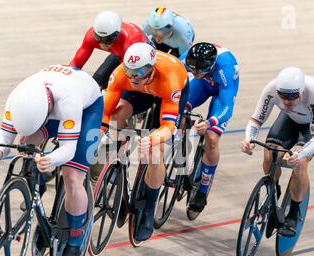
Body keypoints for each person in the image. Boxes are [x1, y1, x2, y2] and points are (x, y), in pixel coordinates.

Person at [0, 64, 103, 256]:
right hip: (49, 109)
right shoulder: (17, 97)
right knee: (26, 142)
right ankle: (36, 183)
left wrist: (51, 159)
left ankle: (75, 240)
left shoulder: (69, 101)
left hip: (87, 109)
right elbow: (6, 137)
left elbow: (68, 150)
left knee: (72, 176)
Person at [102, 42, 189, 241]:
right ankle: (118, 161)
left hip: (166, 95)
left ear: (150, 69)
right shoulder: (122, 74)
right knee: (116, 117)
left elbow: (168, 126)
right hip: (144, 91)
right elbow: (106, 114)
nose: (133, 77)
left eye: (138, 73)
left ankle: (149, 209)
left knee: (155, 153)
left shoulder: (170, 78)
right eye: (129, 72)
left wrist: (151, 138)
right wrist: (101, 134)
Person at [241, 67, 314, 237]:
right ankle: (273, 192)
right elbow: (256, 120)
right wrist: (249, 139)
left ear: (301, 92)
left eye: (291, 97)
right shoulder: (271, 89)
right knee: (270, 154)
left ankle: (294, 212)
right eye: (283, 96)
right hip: (290, 118)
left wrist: (298, 154)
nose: (286, 102)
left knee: (299, 164)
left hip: (313, 125)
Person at [181, 42, 240, 220]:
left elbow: (227, 107)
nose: (196, 74)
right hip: (204, 85)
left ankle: (203, 190)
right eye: (193, 70)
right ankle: (179, 159)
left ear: (211, 65)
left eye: (199, 71)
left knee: (211, 137)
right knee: (180, 113)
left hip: (222, 91)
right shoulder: (187, 60)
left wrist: (209, 122)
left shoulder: (225, 69)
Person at [69, 10, 150, 89]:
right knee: (95, 85)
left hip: (140, 58)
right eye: (98, 38)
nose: (102, 44)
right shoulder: (91, 36)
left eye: (108, 39)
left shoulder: (130, 43)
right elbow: (76, 63)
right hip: (120, 53)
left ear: (118, 34)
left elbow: (126, 77)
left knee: (123, 86)